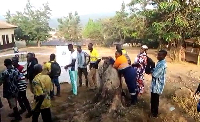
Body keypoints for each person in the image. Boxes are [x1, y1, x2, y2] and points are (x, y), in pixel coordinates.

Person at [150, 50, 167, 117]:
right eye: (158, 55)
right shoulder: (159, 62)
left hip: (158, 85)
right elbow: (154, 70)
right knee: (153, 100)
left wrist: (151, 70)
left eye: (160, 55)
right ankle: (152, 112)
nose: (158, 56)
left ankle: (155, 114)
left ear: (164, 56)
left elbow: (155, 75)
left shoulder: (163, 64)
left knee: (155, 101)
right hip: (155, 85)